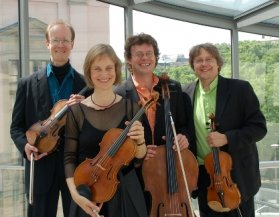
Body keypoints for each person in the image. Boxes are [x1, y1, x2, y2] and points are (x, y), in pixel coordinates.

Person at [10, 20, 89, 217]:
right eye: (55, 40)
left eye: (65, 40)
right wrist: (24, 146)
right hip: (40, 167)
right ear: (47, 43)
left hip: (74, 168)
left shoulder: (86, 86)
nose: (60, 45)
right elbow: (16, 127)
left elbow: (91, 129)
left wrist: (85, 108)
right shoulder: (26, 84)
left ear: (72, 44)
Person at [183, 43, 267, 217]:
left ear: (218, 63)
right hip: (205, 177)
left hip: (235, 176)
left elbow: (259, 128)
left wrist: (228, 138)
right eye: (199, 60)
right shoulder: (186, 93)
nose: (204, 64)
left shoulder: (240, 89)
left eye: (209, 59)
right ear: (193, 66)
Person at [64, 43, 148, 217]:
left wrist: (141, 142)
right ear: (89, 72)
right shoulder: (76, 112)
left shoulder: (131, 108)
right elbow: (69, 158)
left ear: (116, 70)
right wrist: (75, 195)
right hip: (87, 191)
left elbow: (139, 158)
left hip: (125, 191)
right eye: (97, 69)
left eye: (109, 68)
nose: (104, 74)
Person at [114, 33, 194, 211]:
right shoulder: (119, 94)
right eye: (139, 54)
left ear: (156, 57)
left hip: (168, 169)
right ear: (129, 59)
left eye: (149, 53)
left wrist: (183, 137)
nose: (145, 58)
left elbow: (182, 124)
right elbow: (117, 137)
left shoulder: (172, 88)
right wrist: (137, 151)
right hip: (135, 174)